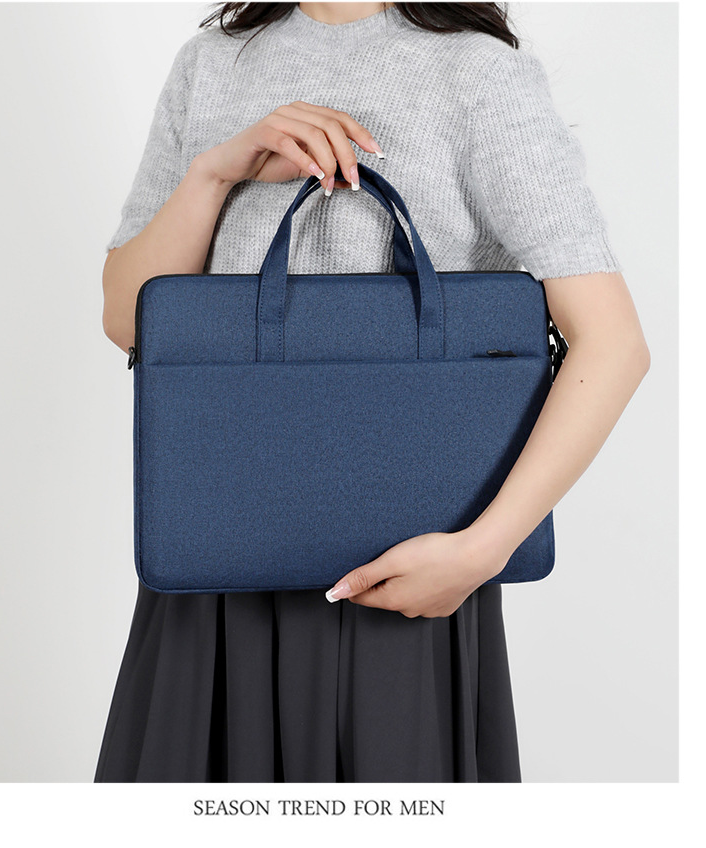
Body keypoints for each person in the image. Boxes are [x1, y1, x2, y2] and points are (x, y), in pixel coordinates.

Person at [95, 2, 650, 782]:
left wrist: (479, 552)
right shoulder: (211, 62)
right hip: (209, 567)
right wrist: (216, 172)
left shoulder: (478, 73)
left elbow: (614, 343)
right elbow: (128, 318)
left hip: (405, 580)